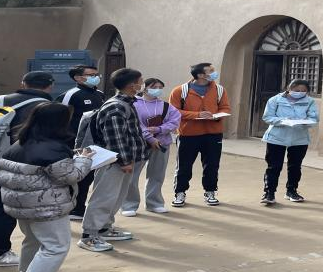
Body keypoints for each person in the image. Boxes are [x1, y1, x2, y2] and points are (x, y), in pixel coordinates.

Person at [0, 101, 92, 272]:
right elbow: (71, 176)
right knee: (56, 246)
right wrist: (84, 160)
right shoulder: (53, 149)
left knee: (33, 241)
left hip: (22, 206)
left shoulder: (20, 143)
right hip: (46, 207)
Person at [0, 71, 56, 266]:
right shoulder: (46, 106)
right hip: (17, 162)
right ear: (50, 85)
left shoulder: (0, 99)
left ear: (23, 83)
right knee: (5, 207)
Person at [77, 68, 149, 252]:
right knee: (104, 197)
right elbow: (115, 137)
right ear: (132, 85)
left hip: (123, 160)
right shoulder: (116, 106)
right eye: (140, 81)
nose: (143, 84)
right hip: (115, 161)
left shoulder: (126, 103)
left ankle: (104, 227)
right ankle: (89, 236)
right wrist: (124, 161)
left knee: (115, 197)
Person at [169, 62, 231, 207]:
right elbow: (173, 111)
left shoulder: (219, 90)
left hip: (213, 134)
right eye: (211, 71)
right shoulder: (180, 91)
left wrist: (216, 116)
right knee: (184, 166)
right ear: (201, 75)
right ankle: (180, 193)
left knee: (212, 165)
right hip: (188, 135)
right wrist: (197, 115)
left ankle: (210, 192)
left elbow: (225, 108)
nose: (214, 73)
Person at [118, 78, 181, 216]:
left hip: (161, 144)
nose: (157, 89)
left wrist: (159, 129)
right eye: (154, 87)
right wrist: (149, 137)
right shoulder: (134, 103)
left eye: (160, 87)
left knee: (157, 174)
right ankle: (129, 204)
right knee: (132, 176)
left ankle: (154, 203)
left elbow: (175, 121)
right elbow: (135, 123)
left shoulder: (166, 106)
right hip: (138, 144)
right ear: (144, 88)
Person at [55, 65, 105, 220]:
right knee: (73, 176)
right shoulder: (70, 95)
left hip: (95, 143)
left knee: (88, 177)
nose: (95, 77)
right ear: (77, 78)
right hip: (73, 143)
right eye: (91, 75)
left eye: (96, 74)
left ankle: (79, 208)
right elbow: (59, 118)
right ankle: (71, 208)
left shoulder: (100, 94)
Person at [259, 79, 319, 205]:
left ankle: (291, 191)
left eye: (303, 91)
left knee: (295, 166)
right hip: (276, 138)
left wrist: (304, 122)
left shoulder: (309, 101)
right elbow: (267, 117)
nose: (300, 92)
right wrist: (283, 121)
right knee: (274, 166)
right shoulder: (275, 100)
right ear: (289, 89)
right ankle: (269, 193)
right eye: (297, 90)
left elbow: (314, 118)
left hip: (299, 139)